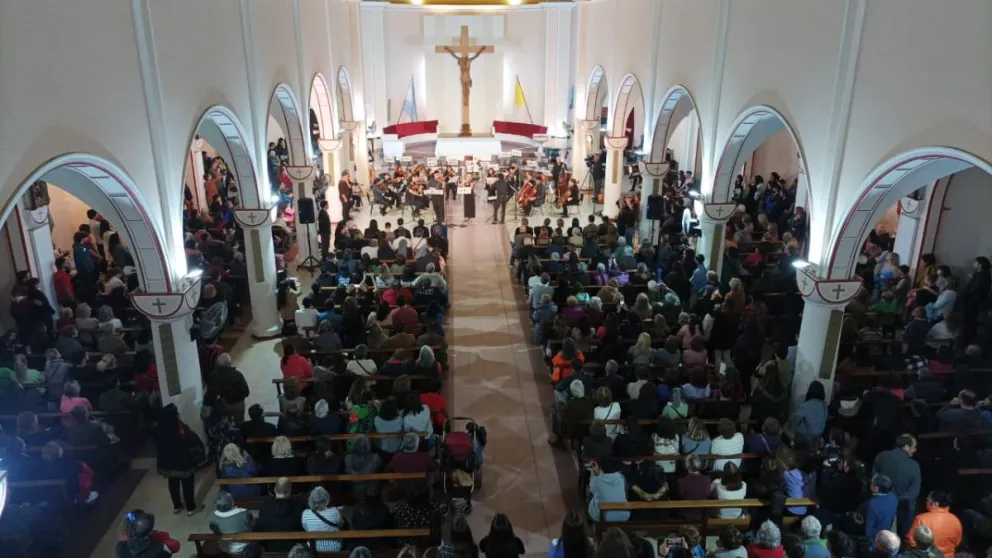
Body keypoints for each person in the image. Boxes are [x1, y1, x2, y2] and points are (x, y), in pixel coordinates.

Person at [152, 404, 204, 516]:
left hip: (166, 463)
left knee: (172, 483)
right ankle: (191, 508)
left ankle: (177, 506)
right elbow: (192, 440)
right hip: (182, 462)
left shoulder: (157, 428)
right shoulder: (180, 428)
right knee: (187, 485)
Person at [872, 434, 921, 537]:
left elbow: (873, 479)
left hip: (878, 505)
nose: (915, 450)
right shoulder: (914, 466)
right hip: (900, 512)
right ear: (906, 447)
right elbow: (913, 493)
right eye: (914, 447)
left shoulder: (881, 456)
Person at [905, 490, 962, 558]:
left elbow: (911, 541)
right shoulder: (956, 520)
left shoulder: (921, 519)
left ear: (935, 504)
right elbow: (957, 542)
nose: (926, 501)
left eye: (928, 499)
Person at [258, 477, 304, 551]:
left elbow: (262, 526)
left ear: (275, 489)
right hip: (294, 549)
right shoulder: (299, 505)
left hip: (271, 548)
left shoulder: (265, 506)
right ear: (290, 491)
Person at [208, 353, 250, 424]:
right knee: (238, 424)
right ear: (229, 363)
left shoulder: (213, 376)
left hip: (220, 405)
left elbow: (210, 392)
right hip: (236, 404)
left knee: (223, 424)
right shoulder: (237, 375)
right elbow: (246, 392)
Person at [210, 490, 255, 554]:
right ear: (232, 502)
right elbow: (252, 524)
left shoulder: (214, 517)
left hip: (224, 547)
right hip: (244, 546)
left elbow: (214, 530)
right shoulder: (244, 513)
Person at [588, 458, 630, 523]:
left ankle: (590, 522)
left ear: (601, 469)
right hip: (623, 515)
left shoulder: (596, 480)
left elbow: (591, 489)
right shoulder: (621, 478)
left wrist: (593, 473)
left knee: (590, 496)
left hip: (602, 517)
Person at [301, 486, 343, 552]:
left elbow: (306, 528)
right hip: (334, 548)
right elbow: (340, 525)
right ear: (326, 499)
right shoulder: (334, 511)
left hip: (313, 549)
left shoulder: (305, 514)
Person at [865, 474, 898, 546]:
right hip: (887, 532)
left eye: (872, 483)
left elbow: (868, 529)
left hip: (875, 537)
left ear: (876, 488)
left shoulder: (873, 504)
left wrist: (867, 538)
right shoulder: (893, 496)